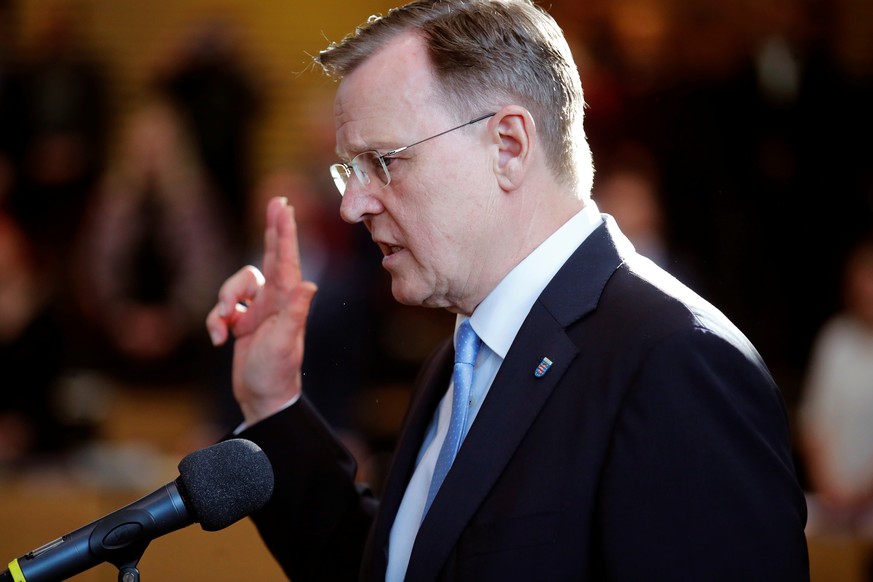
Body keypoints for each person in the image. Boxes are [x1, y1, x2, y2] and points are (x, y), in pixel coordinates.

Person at [206, 0, 809, 579]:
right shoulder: (462, 353)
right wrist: (273, 404)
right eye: (350, 170)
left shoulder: (676, 362)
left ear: (508, 147)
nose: (351, 205)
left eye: (382, 161)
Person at [798, 233, 873, 538]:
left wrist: (860, 492)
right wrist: (828, 486)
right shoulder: (835, 339)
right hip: (831, 496)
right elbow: (813, 421)